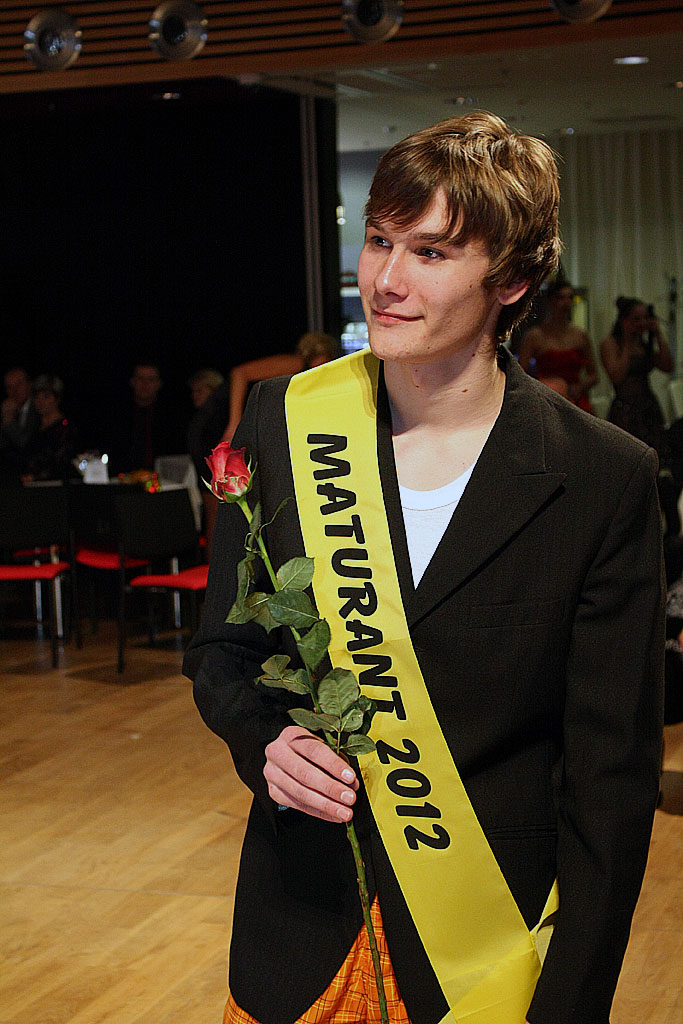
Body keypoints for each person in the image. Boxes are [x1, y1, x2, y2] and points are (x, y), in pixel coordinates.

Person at [184, 113, 664, 1024]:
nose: (385, 280)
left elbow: (611, 780)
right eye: (378, 241)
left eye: (431, 253)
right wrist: (266, 742)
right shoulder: (285, 420)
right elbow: (223, 651)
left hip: (482, 948)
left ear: (511, 280)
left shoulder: (602, 479)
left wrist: (570, 1002)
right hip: (299, 927)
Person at [222, 331, 337, 442]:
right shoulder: (296, 364)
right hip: (226, 413)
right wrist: (234, 424)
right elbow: (239, 373)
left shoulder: (315, 377)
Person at [601, 296, 673, 453]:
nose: (642, 323)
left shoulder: (644, 344)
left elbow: (668, 366)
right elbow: (616, 376)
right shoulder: (611, 343)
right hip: (624, 411)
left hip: (649, 408)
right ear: (624, 320)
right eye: (637, 319)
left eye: (646, 318)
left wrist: (658, 334)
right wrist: (626, 341)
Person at [518, 280, 597, 411]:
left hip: (576, 400)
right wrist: (544, 387)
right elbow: (520, 374)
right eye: (561, 298)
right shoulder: (535, 336)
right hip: (547, 400)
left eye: (570, 298)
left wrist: (580, 387)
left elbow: (594, 375)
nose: (566, 303)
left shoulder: (581, 335)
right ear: (550, 301)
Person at [187, 368, 230, 555]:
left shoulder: (218, 415)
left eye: (200, 390)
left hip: (217, 474)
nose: (195, 395)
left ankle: (213, 564)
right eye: (193, 391)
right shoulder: (205, 415)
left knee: (216, 521)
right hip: (205, 473)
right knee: (212, 520)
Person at [21, 375, 79, 482]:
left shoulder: (65, 428)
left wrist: (37, 477)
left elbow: (62, 463)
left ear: (57, 399)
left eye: (46, 397)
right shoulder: (34, 428)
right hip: (31, 484)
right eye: (37, 397)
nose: (40, 402)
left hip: (54, 485)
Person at [0, 366, 40, 481]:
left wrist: (9, 423)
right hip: (11, 475)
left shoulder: (38, 408)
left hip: (35, 475)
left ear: (29, 384)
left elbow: (26, 445)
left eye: (19, 385)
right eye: (10, 387)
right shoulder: (9, 408)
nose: (14, 391)